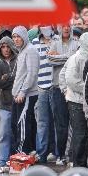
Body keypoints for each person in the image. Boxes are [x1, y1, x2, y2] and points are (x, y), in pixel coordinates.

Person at [60, 32, 88, 167]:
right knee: (80, 134)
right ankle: (79, 164)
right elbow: (70, 79)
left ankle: (81, 162)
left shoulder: (85, 57)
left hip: (81, 100)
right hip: (77, 102)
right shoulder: (78, 58)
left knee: (83, 134)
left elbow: (62, 74)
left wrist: (65, 91)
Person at [48, 24, 79, 165]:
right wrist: (70, 56)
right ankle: (60, 155)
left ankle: (72, 155)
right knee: (60, 124)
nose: (66, 28)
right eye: (63, 26)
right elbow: (50, 60)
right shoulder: (54, 43)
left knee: (75, 122)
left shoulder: (77, 42)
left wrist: (59, 57)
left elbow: (77, 61)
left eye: (68, 26)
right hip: (57, 87)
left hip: (72, 88)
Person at [11, 26, 39, 154]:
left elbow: (32, 74)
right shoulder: (21, 51)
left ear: (24, 37)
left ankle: (22, 154)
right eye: (14, 37)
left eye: (18, 37)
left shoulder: (30, 50)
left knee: (23, 127)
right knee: (17, 125)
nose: (16, 39)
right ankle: (25, 153)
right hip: (18, 95)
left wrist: (22, 92)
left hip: (27, 95)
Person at [33, 26, 56, 164]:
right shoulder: (35, 42)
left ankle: (57, 153)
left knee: (57, 122)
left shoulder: (57, 40)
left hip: (55, 84)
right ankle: (41, 154)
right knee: (42, 122)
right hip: (41, 86)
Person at [0, 36, 18, 168]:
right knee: (4, 133)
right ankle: (2, 160)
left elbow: (18, 78)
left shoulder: (17, 60)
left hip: (18, 102)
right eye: (3, 47)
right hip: (4, 103)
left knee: (16, 132)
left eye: (8, 46)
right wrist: (11, 77)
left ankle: (16, 159)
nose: (6, 49)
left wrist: (6, 77)